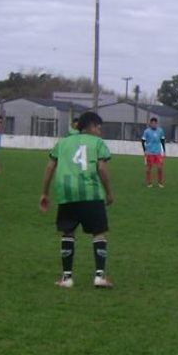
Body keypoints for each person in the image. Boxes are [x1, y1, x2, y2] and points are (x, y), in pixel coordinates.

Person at [39, 111, 115, 289]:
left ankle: (67, 278)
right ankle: (99, 276)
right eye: (98, 127)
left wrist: (44, 193)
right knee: (98, 232)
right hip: (90, 192)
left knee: (68, 232)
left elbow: (50, 167)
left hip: (67, 193)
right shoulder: (98, 143)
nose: (99, 132)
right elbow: (102, 169)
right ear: (91, 126)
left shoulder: (63, 142)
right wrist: (109, 192)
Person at [141, 117, 166, 187]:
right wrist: (144, 150)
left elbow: (162, 140)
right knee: (149, 168)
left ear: (157, 124)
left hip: (158, 152)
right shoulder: (146, 131)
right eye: (152, 123)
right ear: (150, 124)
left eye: (155, 123)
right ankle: (149, 183)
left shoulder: (160, 131)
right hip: (149, 152)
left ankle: (160, 183)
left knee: (160, 168)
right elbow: (143, 141)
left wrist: (164, 150)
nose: (154, 125)